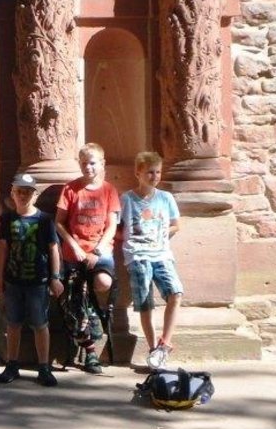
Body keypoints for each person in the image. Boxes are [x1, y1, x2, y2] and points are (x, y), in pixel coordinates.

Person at [54, 143, 121, 374]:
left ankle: (93, 307)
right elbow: (59, 223)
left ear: (102, 164)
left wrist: (97, 251)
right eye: (84, 163)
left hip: (100, 252)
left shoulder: (109, 190)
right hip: (75, 253)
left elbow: (112, 225)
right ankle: (91, 351)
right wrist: (76, 247)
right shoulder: (70, 189)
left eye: (93, 163)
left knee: (103, 283)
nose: (88, 167)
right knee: (75, 305)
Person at [0, 173, 63, 387]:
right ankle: (12, 364)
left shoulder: (43, 220)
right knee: (13, 324)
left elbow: (53, 249)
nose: (23, 195)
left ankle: (44, 367)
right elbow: (2, 250)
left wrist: (55, 277)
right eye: (19, 191)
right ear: (13, 194)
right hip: (14, 281)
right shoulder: (7, 219)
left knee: (40, 324)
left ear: (34, 195)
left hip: (38, 281)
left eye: (28, 192)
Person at [119, 152, 183, 370]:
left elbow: (176, 224)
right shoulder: (127, 199)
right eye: (149, 172)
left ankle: (165, 343)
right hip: (138, 255)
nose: (154, 176)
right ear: (138, 173)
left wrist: (164, 232)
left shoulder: (165, 198)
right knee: (145, 301)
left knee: (175, 292)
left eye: (157, 172)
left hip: (161, 253)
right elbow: (118, 227)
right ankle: (153, 348)